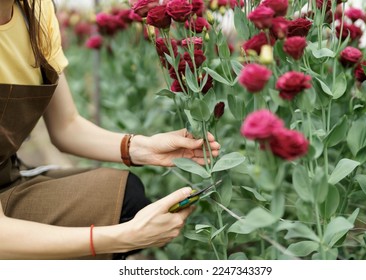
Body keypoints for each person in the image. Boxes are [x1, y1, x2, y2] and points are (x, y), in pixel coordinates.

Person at [0, 0, 220, 259]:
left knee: (124, 198)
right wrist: (124, 237)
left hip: (8, 176)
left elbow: (66, 126)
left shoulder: (34, 12)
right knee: (121, 219)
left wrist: (142, 148)